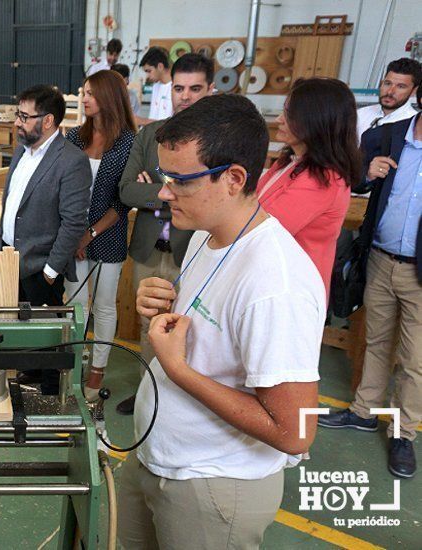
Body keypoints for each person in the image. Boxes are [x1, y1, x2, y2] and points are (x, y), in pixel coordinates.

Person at [122, 94, 324, 549]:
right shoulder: (203, 237)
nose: (164, 191)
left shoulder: (276, 283)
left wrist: (178, 370)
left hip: (213, 484)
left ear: (234, 179)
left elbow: (294, 432)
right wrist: (162, 309)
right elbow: (207, 339)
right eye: (162, 177)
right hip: (163, 458)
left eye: (179, 181)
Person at [318, 100, 421, 479]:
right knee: (376, 342)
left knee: (415, 359)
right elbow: (351, 177)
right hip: (379, 258)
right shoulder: (387, 136)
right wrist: (366, 172)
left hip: (419, 273)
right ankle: (364, 412)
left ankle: (403, 433)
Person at [116, 52, 214, 414]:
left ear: (210, 90)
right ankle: (148, 393)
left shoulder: (217, 142)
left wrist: (156, 187)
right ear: (168, 89)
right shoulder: (149, 135)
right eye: (178, 88)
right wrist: (165, 191)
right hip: (149, 246)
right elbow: (127, 190)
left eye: (194, 88)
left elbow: (209, 200)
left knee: (188, 330)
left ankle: (178, 400)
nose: (185, 96)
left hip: (191, 249)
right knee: (148, 325)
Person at [0, 85, 91, 395]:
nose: (17, 122)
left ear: (47, 121)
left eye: (24, 116)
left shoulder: (71, 160)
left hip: (40, 267)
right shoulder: (21, 149)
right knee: (20, 326)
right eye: (17, 114)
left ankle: (50, 394)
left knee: (47, 334)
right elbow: (11, 203)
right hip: (9, 258)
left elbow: (73, 221)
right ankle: (29, 373)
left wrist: (50, 270)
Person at [64, 70, 136, 400]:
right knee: (75, 304)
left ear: (109, 97)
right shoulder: (75, 138)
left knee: (104, 305)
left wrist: (89, 234)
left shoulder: (128, 144)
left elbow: (124, 201)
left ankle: (97, 371)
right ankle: (74, 364)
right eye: (84, 92)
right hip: (73, 233)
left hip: (107, 234)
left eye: (91, 93)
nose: (84, 98)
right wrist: (74, 234)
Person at [258, 78, 359, 296]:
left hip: (293, 289)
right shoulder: (289, 161)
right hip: (272, 277)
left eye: (288, 114)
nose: (278, 120)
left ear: (315, 121)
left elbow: (262, 229)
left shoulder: (324, 178)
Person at [355, 58, 421, 142]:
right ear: (381, 83)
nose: (390, 92)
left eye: (400, 86)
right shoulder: (360, 115)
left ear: (414, 90)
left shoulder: (414, 125)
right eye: (387, 83)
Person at [136, 46, 172, 126]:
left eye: (149, 71)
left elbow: (171, 124)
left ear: (160, 66)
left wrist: (142, 121)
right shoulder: (156, 86)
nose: (147, 76)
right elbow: (153, 117)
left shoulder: (176, 88)